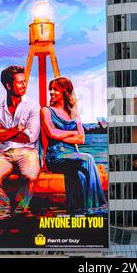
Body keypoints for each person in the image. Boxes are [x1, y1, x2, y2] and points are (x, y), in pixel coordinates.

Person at [40, 77, 106, 213]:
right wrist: (72, 133)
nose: (51, 92)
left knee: (81, 175)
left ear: (65, 91)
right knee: (87, 159)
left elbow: (81, 138)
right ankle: (97, 206)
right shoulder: (46, 111)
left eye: (55, 90)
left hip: (73, 157)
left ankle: (81, 209)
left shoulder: (73, 112)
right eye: (50, 89)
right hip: (55, 157)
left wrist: (61, 134)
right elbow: (52, 134)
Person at [0, 65, 40, 222]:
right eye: (20, 82)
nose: (24, 85)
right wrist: (17, 129)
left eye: (25, 81)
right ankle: (4, 208)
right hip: (5, 154)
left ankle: (22, 209)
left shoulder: (32, 106)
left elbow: (31, 137)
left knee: (30, 175)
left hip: (28, 152)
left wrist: (5, 131)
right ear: (8, 86)